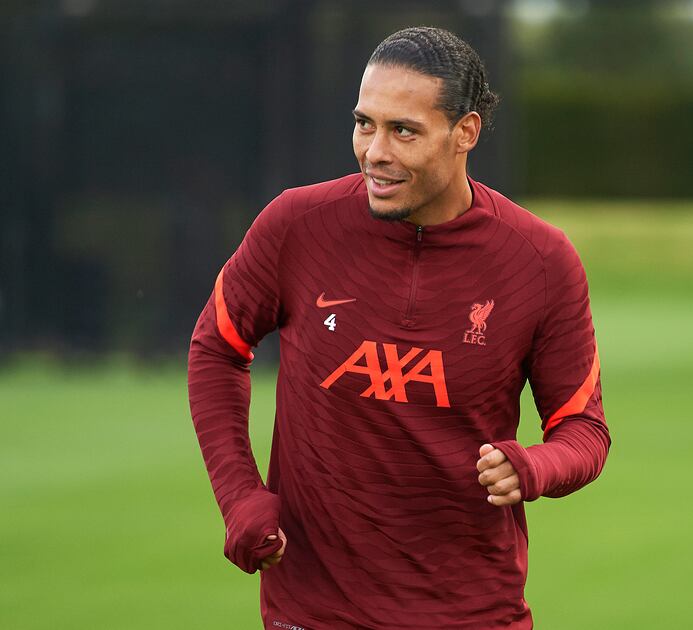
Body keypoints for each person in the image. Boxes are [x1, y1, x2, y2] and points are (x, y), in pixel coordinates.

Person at [188, 26, 610, 630]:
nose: (373, 152)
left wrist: (533, 468)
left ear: (465, 132)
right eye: (365, 124)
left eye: (403, 130)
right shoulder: (296, 225)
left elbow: (583, 431)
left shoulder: (540, 261)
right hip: (312, 612)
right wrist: (239, 496)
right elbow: (217, 349)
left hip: (473, 613)